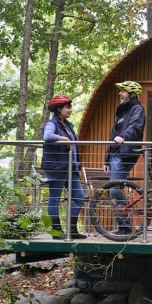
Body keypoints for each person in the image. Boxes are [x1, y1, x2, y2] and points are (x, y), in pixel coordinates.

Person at [41, 95, 86, 240]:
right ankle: (57, 231)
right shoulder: (52, 124)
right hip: (57, 167)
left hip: (70, 167)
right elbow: (47, 136)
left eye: (71, 107)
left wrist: (77, 165)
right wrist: (64, 138)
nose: (71, 110)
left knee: (79, 197)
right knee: (55, 197)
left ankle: (72, 230)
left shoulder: (68, 125)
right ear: (59, 109)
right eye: (68, 107)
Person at [103, 81, 146, 234]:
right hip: (115, 155)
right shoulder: (121, 111)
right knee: (116, 190)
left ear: (132, 94)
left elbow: (135, 126)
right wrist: (106, 159)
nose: (120, 94)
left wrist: (123, 136)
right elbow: (112, 136)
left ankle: (125, 228)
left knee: (115, 191)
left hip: (125, 154)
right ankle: (123, 227)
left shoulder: (137, 109)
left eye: (123, 91)